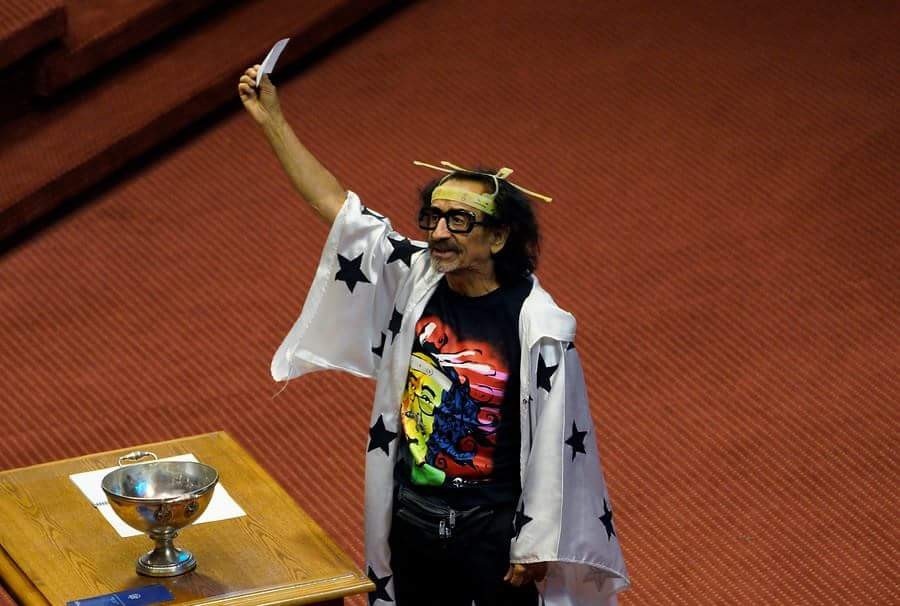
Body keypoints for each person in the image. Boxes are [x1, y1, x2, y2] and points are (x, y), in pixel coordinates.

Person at [239, 65, 629, 605]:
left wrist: (538, 539)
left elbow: (557, 440)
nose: (439, 233)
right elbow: (336, 208)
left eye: (459, 221)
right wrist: (274, 122)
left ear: (498, 237)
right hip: (413, 520)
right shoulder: (417, 275)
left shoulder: (539, 325)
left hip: (493, 533)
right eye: (434, 217)